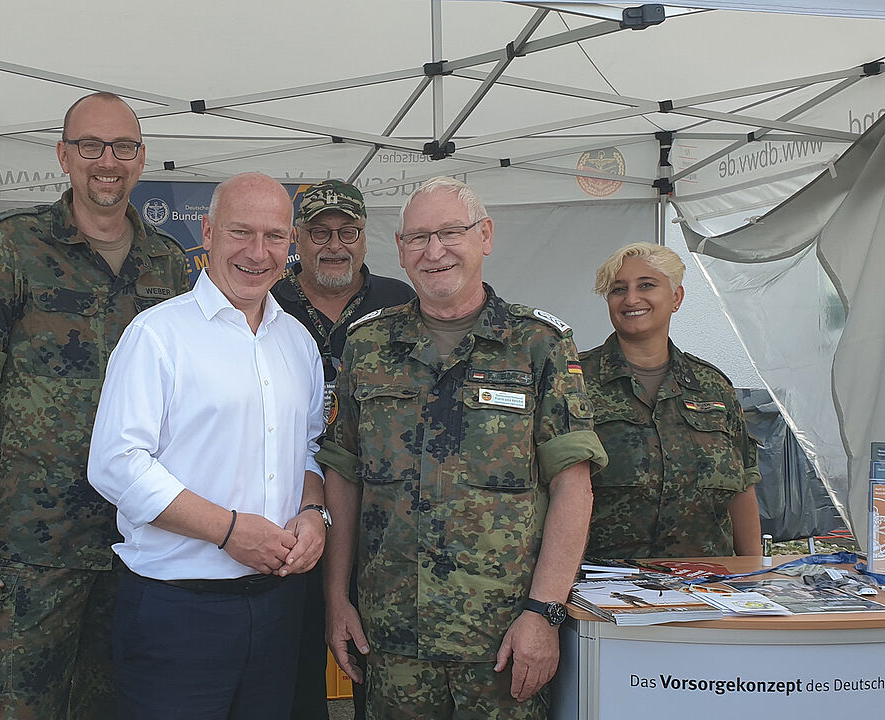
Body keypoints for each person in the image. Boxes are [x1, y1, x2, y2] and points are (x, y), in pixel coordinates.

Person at [0, 92, 190, 720]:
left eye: (123, 148)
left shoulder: (171, 265)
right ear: (64, 156)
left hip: (142, 544)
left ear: (140, 159)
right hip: (37, 547)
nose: (108, 161)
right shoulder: (12, 246)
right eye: (90, 146)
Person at [319, 176, 607, 720]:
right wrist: (337, 602)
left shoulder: (538, 344)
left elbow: (573, 486)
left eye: (450, 232)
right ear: (400, 251)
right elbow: (343, 476)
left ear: (486, 237)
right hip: (392, 639)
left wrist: (544, 613)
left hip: (502, 641)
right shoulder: (367, 345)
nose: (435, 251)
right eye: (418, 238)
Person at [88, 172, 328, 720]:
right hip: (178, 610)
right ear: (208, 232)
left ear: (291, 243)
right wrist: (228, 530)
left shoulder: (297, 341)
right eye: (241, 233)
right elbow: (116, 466)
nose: (257, 252)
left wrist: (314, 513)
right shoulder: (158, 335)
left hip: (277, 605)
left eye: (274, 236)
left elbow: (310, 450)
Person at [272, 179, 413, 720]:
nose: (335, 244)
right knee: (294, 664)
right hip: (289, 512)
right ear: (297, 241)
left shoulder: (400, 302)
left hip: (380, 514)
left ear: (364, 238)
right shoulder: (267, 300)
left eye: (347, 231)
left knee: (375, 663)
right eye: (319, 232)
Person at [581, 242, 762, 559]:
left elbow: (743, 488)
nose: (631, 299)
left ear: (676, 297)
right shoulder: (573, 382)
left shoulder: (713, 388)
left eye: (646, 285)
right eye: (618, 289)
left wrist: (754, 573)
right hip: (603, 588)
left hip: (707, 587)